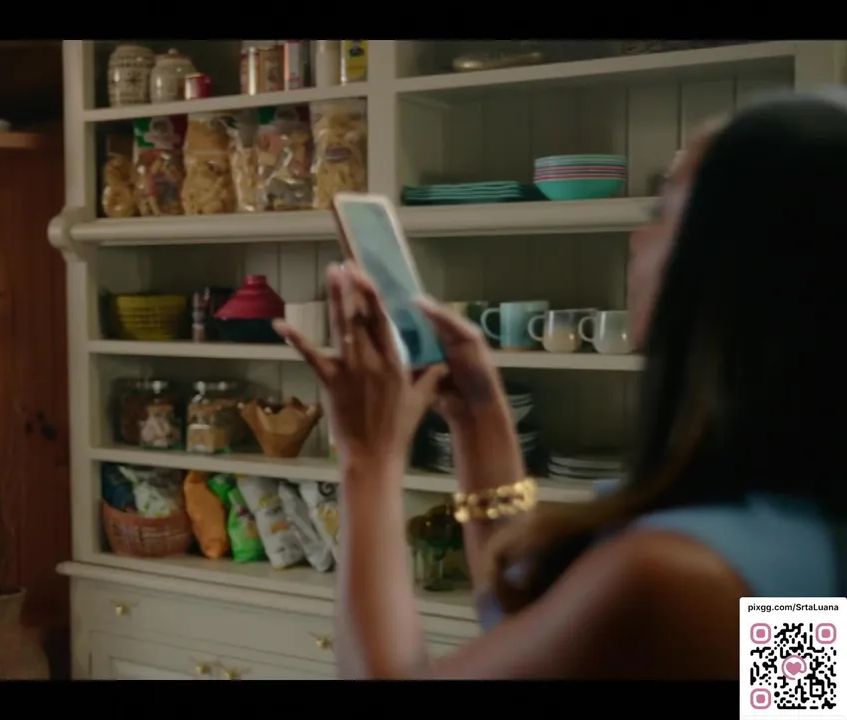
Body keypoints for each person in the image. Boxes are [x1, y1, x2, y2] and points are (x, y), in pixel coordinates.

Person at [276, 89, 847, 678]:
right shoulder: (798, 534)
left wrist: (368, 459)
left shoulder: (672, 579)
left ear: (734, 264)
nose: (637, 239)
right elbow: (527, 613)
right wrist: (479, 420)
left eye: (663, 212)